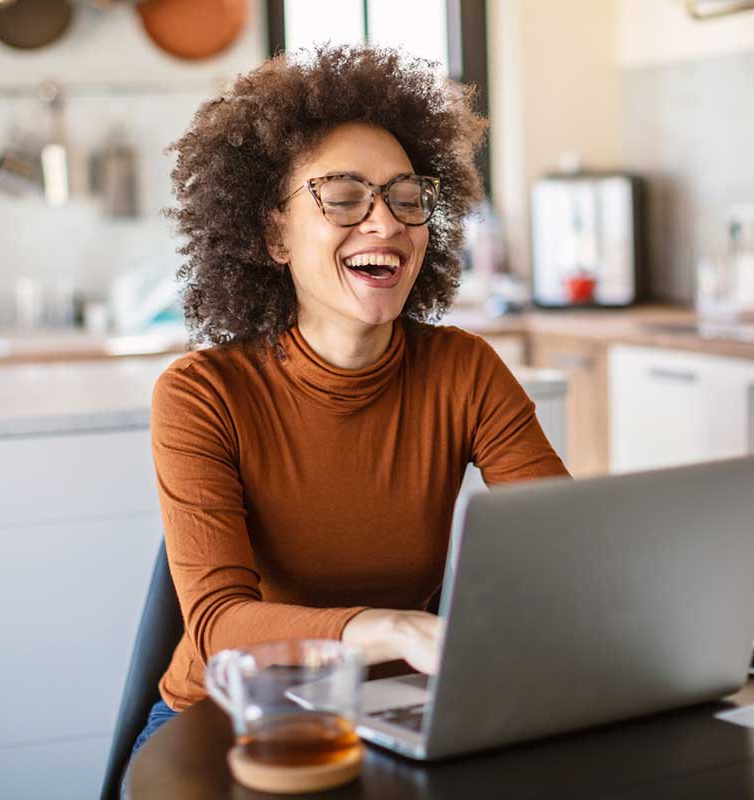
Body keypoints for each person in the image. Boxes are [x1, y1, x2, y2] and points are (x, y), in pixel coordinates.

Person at [131, 44, 569, 754]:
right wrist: (389, 627)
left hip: (397, 709)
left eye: (406, 197)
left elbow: (560, 542)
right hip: (228, 719)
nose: (387, 224)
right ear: (274, 233)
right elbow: (217, 629)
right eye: (343, 198)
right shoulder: (202, 394)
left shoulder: (464, 369)